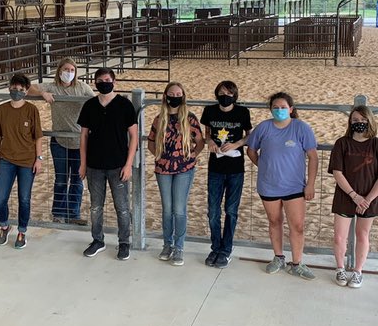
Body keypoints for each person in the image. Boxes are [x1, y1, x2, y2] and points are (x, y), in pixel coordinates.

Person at [246, 92, 318, 279]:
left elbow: (313, 157)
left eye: (283, 107)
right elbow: (251, 150)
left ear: (291, 109)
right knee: (274, 222)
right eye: (276, 107)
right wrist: (264, 166)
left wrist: (310, 184)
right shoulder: (263, 127)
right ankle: (278, 257)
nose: (279, 110)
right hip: (269, 186)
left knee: (297, 225)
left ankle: (297, 262)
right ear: (270, 109)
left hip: (294, 187)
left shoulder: (301, 128)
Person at [328, 105, 378, 288]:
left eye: (363, 120)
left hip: (369, 199)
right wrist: (354, 196)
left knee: (362, 234)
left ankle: (358, 271)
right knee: (339, 237)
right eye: (355, 120)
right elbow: (337, 172)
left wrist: (368, 199)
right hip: (345, 196)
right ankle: (340, 268)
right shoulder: (342, 143)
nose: (359, 123)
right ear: (350, 122)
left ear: (370, 121)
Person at [78, 67, 138, 260]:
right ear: (95, 83)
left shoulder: (124, 105)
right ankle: (97, 240)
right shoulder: (89, 106)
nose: (104, 83)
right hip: (94, 166)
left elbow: (134, 137)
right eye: (100, 80)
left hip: (118, 165)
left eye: (107, 79)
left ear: (114, 81)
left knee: (121, 206)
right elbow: (84, 137)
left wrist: (129, 164)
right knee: (96, 206)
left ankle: (124, 242)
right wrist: (83, 163)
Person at [31, 58, 94, 224]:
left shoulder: (82, 88)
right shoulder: (52, 87)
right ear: (59, 70)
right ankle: (58, 213)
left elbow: (96, 103)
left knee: (77, 179)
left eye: (72, 70)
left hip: (79, 142)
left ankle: (73, 214)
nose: (69, 73)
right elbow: (28, 87)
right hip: (59, 141)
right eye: (66, 69)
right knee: (61, 178)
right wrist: (41, 93)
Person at [148, 81, 204, 266]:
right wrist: (159, 155)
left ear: (183, 96)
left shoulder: (189, 118)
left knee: (179, 209)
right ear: (165, 96)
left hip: (184, 169)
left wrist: (193, 155)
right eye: (172, 93)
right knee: (167, 209)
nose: (175, 96)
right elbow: (151, 141)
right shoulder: (159, 119)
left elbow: (200, 140)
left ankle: (179, 246)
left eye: (179, 93)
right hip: (163, 169)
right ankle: (167, 244)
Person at [200, 80, 252, 268]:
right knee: (213, 211)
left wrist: (237, 143)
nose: (225, 96)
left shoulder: (242, 113)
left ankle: (226, 249)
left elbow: (249, 134)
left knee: (231, 210)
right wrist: (210, 142)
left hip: (236, 168)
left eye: (229, 93)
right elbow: (206, 133)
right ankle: (215, 247)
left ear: (234, 95)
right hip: (215, 167)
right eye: (222, 92)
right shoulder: (209, 111)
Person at [0, 74, 44, 249]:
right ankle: (4, 226)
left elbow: (38, 137)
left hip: (27, 161)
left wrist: (39, 159)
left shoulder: (32, 110)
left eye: (21, 89)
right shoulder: (1, 110)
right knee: (0, 198)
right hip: (6, 160)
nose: (17, 92)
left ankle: (22, 231)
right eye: (14, 88)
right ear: (9, 88)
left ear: (26, 91)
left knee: (24, 198)